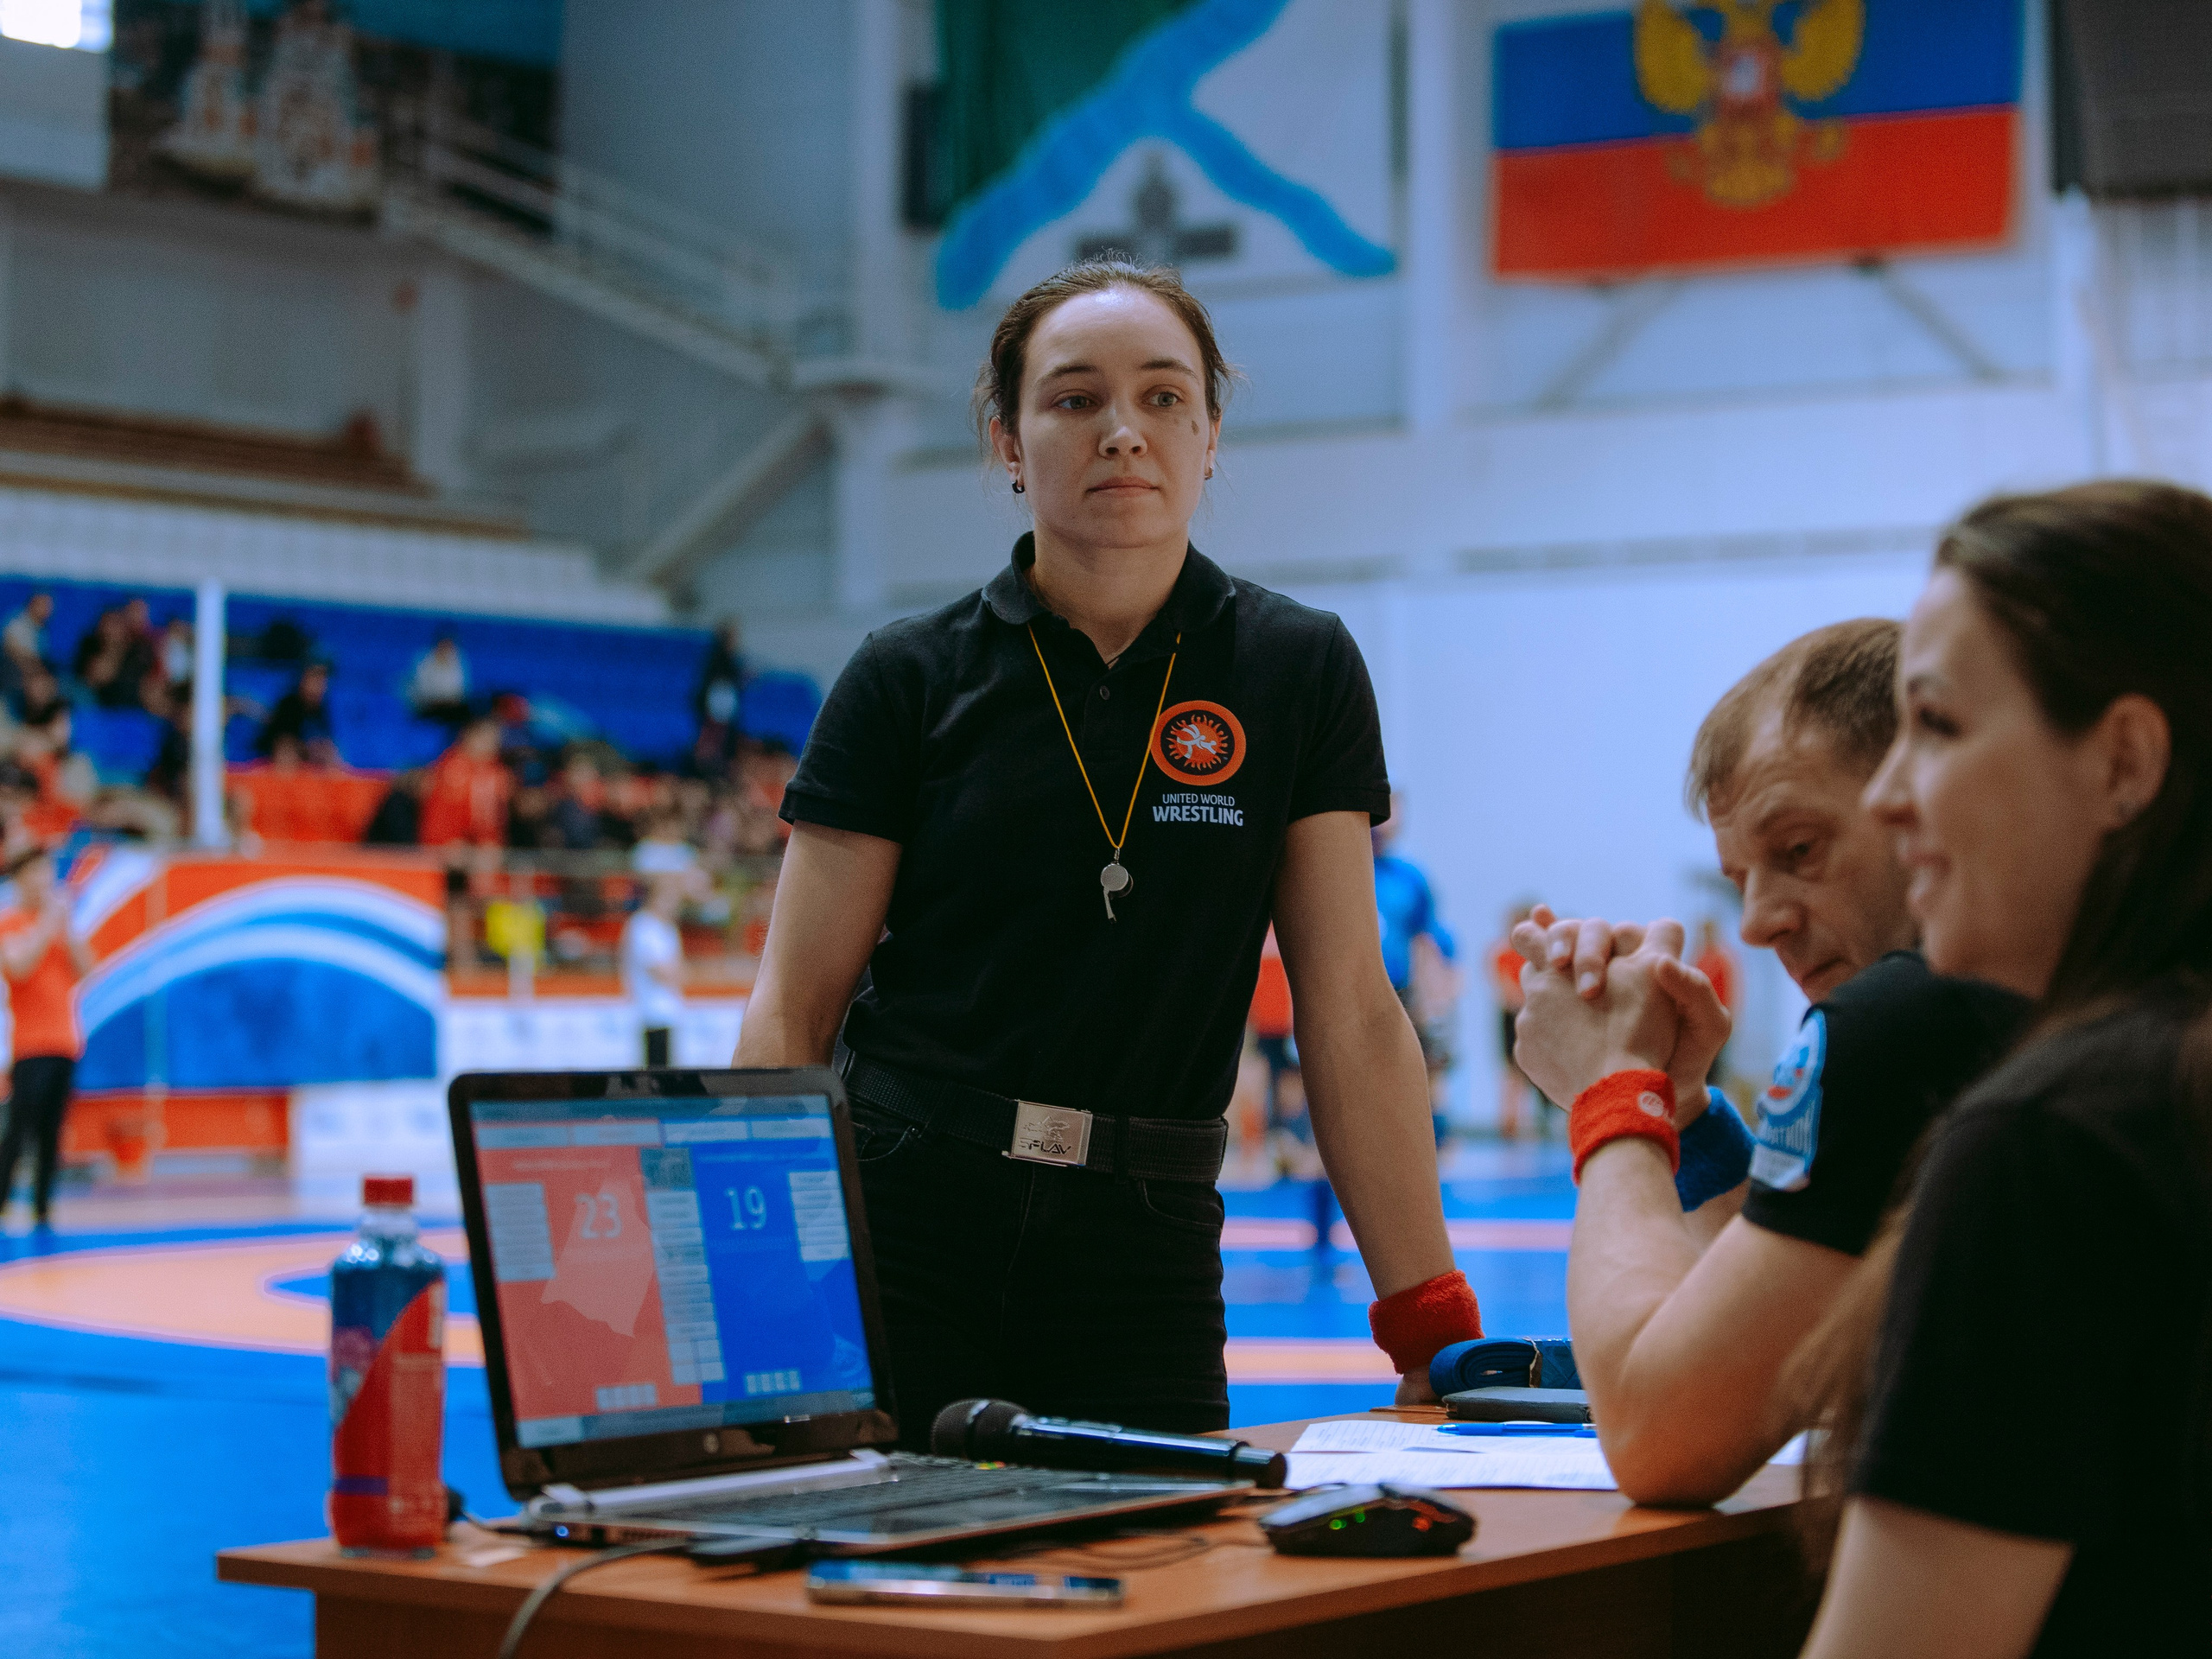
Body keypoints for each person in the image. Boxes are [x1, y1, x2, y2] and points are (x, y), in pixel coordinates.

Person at [734, 258, 1475, 1440]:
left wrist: (1433, 1321)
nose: (1123, 432)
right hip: (909, 1220)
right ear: (1010, 444)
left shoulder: (1299, 669)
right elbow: (791, 1015)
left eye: (1164, 398)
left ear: (1212, 437)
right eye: (1075, 400)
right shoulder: (904, 677)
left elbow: (1351, 1012)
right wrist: (772, 1300)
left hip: (1147, 1239)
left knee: (1164, 1594)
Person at [1510, 619, 2027, 1506]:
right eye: (1741, 876)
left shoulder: (1912, 1011)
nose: (1757, 922)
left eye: (1797, 852)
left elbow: (1656, 1434)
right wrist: (1678, 1110)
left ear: (1918, 802)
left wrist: (1610, 1092)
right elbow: (1786, 1330)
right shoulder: (2054, 987)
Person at [0, 846, 94, 1229]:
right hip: (30, 1043)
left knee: (53, 1132)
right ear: (21, 878)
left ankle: (42, 1207)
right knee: (20, 1129)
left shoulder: (60, 927)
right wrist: (45, 924)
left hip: (64, 1041)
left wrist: (65, 927)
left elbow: (85, 968)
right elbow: (18, 967)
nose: (43, 881)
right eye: (35, 873)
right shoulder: (13, 922)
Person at [1373, 798, 1459, 1143]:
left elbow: (1425, 940)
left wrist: (1432, 999)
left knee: (1420, 1065)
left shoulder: (1409, 878)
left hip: (1400, 989)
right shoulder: (1339, 872)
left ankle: (1428, 1140)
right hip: (1350, 988)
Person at [621, 872, 687, 1066]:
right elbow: (658, 970)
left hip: (669, 1011)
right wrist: (673, 973)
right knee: (654, 1072)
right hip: (650, 1012)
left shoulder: (668, 929)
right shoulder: (642, 926)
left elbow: (681, 969)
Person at [692, 620, 746, 773]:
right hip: (716, 709)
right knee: (712, 744)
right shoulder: (717, 661)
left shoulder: (731, 662)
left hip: (723, 710)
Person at [407, 632, 470, 727]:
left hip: (450, 706)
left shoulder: (458, 662)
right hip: (427, 706)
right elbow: (422, 690)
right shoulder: (423, 661)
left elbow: (460, 690)